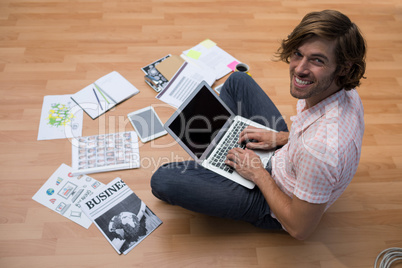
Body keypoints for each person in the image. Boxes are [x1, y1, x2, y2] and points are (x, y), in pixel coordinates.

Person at [151, 9, 366, 240]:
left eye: (317, 60)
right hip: (289, 157)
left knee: (162, 179)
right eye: (298, 54)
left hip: (274, 205)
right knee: (238, 80)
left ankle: (217, 163)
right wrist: (281, 138)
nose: (299, 69)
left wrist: (257, 173)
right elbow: (311, 135)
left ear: (344, 67)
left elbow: (299, 229)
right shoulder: (344, 92)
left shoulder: (319, 151)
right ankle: (219, 156)